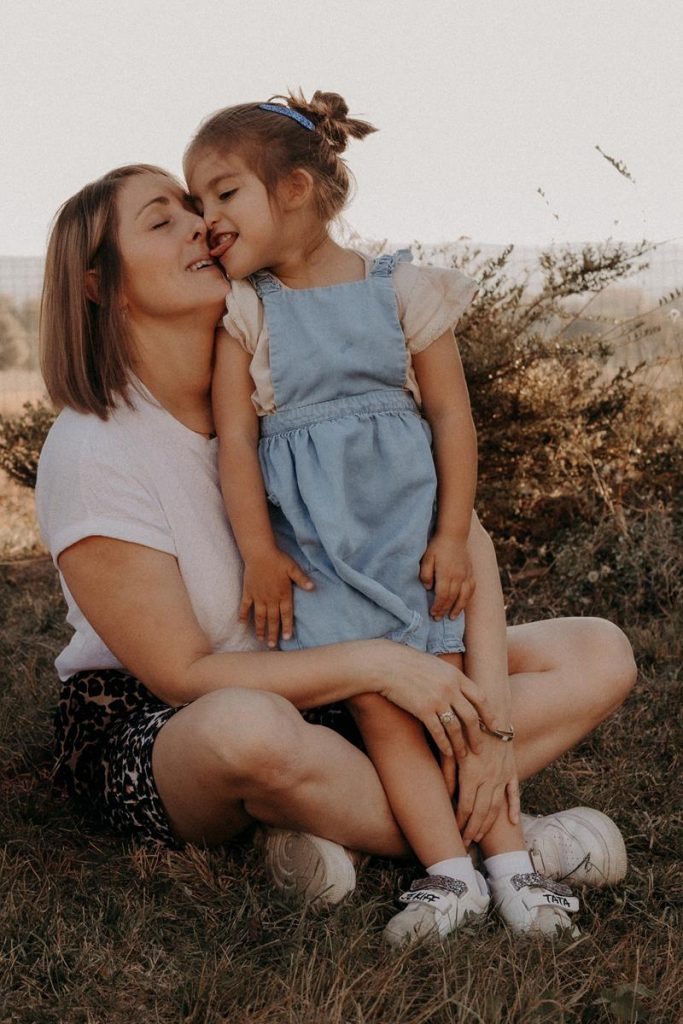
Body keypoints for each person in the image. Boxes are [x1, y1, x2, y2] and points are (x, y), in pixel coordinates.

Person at [35, 163, 634, 947]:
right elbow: (181, 674)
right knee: (245, 733)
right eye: (161, 221)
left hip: (330, 680)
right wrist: (381, 667)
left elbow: (462, 539)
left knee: (597, 651)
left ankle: (327, 822)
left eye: (196, 208)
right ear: (99, 285)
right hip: (171, 722)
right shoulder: (94, 449)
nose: (198, 225)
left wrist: (493, 734)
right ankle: (520, 845)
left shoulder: (284, 380)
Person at [184, 91, 580, 943]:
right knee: (383, 709)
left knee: (466, 706)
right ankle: (448, 876)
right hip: (322, 556)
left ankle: (513, 869)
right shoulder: (247, 312)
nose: (206, 219)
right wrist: (257, 551)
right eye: (197, 202)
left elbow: (450, 420)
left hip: (411, 541)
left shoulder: (400, 289)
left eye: (223, 194)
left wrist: (450, 535)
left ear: (292, 188)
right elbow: (236, 446)